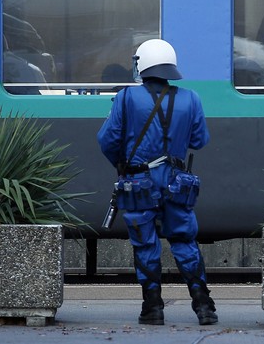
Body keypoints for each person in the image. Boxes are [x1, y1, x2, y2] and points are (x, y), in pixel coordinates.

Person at [97, 39, 217, 326]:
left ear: (143, 64)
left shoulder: (126, 98)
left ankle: (153, 308)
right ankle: (204, 306)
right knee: (184, 240)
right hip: (177, 183)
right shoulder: (191, 98)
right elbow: (199, 141)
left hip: (138, 182)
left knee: (145, 245)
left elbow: (107, 140)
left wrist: (123, 166)